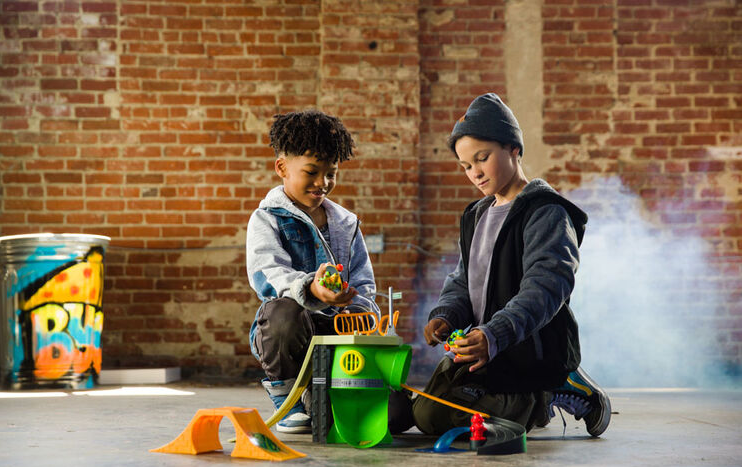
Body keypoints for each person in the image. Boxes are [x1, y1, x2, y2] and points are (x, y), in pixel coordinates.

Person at [406, 93, 611, 437]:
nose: (474, 173)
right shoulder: (476, 215)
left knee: (439, 419)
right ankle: (533, 395)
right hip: (489, 350)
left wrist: (494, 334)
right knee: (423, 412)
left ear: (513, 148)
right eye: (466, 166)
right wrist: (445, 316)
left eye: (482, 159)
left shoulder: (546, 212)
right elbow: (462, 281)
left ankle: (555, 387)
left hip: (526, 352)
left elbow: (546, 288)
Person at [246, 109, 381, 433]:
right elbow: (268, 274)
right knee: (282, 312)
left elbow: (364, 280)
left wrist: (357, 302)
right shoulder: (267, 219)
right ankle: (289, 396)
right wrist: (311, 289)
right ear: (282, 167)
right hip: (293, 330)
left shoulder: (347, 223)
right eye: (312, 172)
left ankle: (327, 393)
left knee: (393, 415)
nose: (323, 183)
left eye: (331, 173)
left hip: (339, 330)